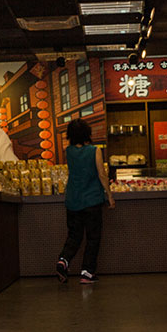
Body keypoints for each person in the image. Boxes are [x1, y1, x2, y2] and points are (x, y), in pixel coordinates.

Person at [55, 119, 114, 285]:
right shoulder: (94, 150)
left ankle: (63, 260)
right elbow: (102, 174)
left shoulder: (69, 151)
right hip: (92, 200)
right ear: (87, 133)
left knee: (74, 236)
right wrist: (109, 195)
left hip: (73, 200)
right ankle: (87, 273)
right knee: (93, 237)